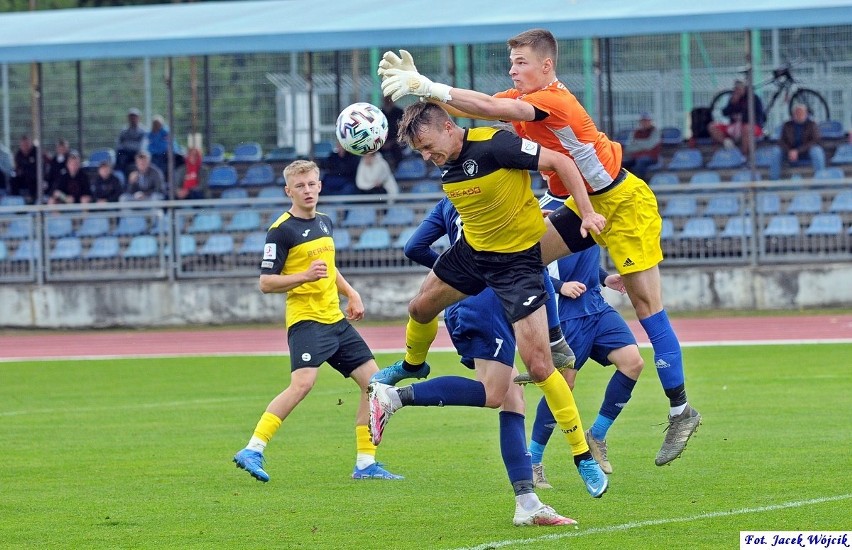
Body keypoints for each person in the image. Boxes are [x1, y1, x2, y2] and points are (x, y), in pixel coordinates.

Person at [378, 28, 701, 467]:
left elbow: (491, 108)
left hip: (622, 205)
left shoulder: (554, 100)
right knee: (526, 258)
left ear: (546, 66)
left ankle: (681, 410)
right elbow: (469, 110)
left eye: (521, 63)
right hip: (582, 201)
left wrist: (430, 87)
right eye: (511, 63)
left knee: (649, 310)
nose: (513, 69)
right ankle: (556, 341)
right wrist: (423, 88)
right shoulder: (525, 98)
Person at [367, 102, 609, 498]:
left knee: (540, 365)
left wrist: (584, 213)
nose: (428, 158)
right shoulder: (447, 161)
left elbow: (562, 163)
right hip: (473, 253)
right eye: (421, 153)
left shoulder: (496, 145)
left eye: (428, 147)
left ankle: (582, 456)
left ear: (448, 127)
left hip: (517, 265)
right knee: (419, 308)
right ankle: (412, 366)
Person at [377, 195, 576, 525]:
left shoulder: (449, 200)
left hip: (469, 300)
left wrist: (454, 277)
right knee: (494, 393)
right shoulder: (506, 194)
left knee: (513, 398)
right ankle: (393, 397)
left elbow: (414, 247)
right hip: (487, 303)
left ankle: (527, 503)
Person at [232, 159, 403, 483]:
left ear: (320, 185)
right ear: (288, 191)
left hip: (335, 320)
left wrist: (351, 292)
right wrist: (303, 276)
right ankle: (253, 448)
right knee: (303, 384)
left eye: (311, 184)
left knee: (375, 384)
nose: (307, 190)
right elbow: (266, 283)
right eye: (300, 186)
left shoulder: (324, 222)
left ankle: (366, 464)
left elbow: (329, 267)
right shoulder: (281, 231)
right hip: (307, 320)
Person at [515, 194, 644, 486]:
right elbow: (529, 259)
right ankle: (533, 461)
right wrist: (560, 287)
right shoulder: (540, 205)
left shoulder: (589, 200)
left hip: (596, 306)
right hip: (567, 313)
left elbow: (580, 250)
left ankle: (596, 435)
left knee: (633, 363)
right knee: (563, 385)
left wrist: (602, 277)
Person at [707, 79, 765, 155]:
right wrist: (732, 104)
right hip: (734, 127)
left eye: (739, 88)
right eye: (736, 88)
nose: (737, 91)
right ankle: (727, 142)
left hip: (752, 127)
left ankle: (744, 156)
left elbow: (758, 116)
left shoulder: (753, 98)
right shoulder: (733, 99)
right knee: (712, 126)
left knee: (746, 128)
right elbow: (725, 112)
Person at [779, 103, 826, 175]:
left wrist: (797, 151)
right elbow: (782, 141)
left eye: (801, 113)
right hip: (789, 152)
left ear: (806, 114)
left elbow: (815, 141)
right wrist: (790, 151)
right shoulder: (787, 125)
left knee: (817, 151)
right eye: (797, 113)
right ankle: (774, 182)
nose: (799, 115)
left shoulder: (812, 125)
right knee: (776, 152)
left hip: (806, 152)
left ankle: (820, 179)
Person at [621, 112, 660, 180]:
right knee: (623, 164)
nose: (645, 123)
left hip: (650, 157)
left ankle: (643, 182)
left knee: (640, 163)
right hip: (635, 157)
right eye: (643, 121)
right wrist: (643, 145)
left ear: (650, 121)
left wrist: (636, 143)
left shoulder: (655, 131)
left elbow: (649, 145)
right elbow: (629, 147)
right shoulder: (636, 132)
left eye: (647, 121)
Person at [10, 134, 46, 204]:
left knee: (31, 177)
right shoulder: (18, 154)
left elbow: (42, 167)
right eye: (23, 145)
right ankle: (15, 199)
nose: (25, 146)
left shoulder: (37, 152)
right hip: (23, 177)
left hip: (35, 176)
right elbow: (17, 167)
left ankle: (33, 199)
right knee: (13, 179)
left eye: (26, 144)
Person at [116, 108, 146, 175]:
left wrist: (127, 145)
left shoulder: (142, 131)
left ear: (138, 118)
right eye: (131, 117)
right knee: (119, 155)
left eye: (134, 117)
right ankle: (120, 177)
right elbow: (119, 144)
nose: (133, 119)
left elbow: (142, 145)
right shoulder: (124, 131)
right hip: (126, 153)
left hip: (137, 153)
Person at [380, 95, 405, 170]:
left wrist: (392, 142)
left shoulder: (400, 112)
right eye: (386, 99)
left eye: (389, 99)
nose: (388, 100)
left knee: (397, 150)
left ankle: (398, 170)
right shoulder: (379, 112)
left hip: (395, 141)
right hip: (381, 142)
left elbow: (403, 131)